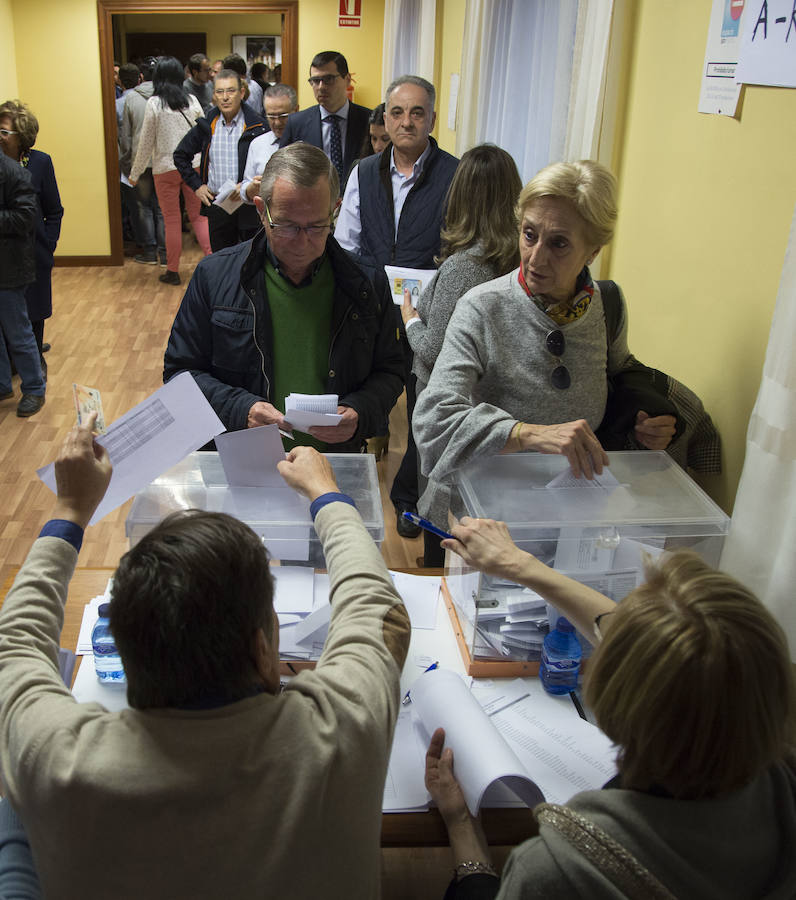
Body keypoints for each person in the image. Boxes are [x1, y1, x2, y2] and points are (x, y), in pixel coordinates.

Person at [0, 417, 411, 899]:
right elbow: (377, 608)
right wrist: (326, 495)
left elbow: (16, 641)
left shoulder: (54, 758)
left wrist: (71, 508)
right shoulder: (344, 728)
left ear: (129, 657)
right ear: (262, 651)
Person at [425, 516, 796, 898]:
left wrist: (461, 827)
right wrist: (522, 565)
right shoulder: (782, 780)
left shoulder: (559, 871)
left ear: (615, 696)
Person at [413, 160, 679, 526]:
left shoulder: (607, 306)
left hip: (570, 516)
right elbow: (433, 421)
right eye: (529, 234)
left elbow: (620, 370)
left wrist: (646, 422)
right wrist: (529, 434)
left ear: (593, 251)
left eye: (559, 244)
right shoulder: (482, 308)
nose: (536, 258)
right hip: (480, 519)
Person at [163, 142, 404, 452]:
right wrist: (241, 410)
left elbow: (390, 370)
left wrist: (361, 410)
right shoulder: (214, 276)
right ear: (262, 210)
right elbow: (180, 373)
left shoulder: (367, 283)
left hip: (331, 464)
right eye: (288, 226)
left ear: (335, 210)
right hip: (242, 459)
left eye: (317, 226)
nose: (303, 242)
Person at [336, 74, 459, 540]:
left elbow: (460, 246)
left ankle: (408, 500)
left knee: (422, 406)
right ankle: (347, 482)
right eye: (397, 112)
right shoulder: (363, 172)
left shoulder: (454, 173)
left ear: (431, 118)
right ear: (384, 118)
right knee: (359, 394)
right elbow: (346, 243)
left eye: (417, 113)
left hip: (428, 313)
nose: (406, 122)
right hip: (371, 307)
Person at [399, 144, 521, 564]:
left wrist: (411, 318)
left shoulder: (465, 266)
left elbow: (435, 351)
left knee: (440, 495)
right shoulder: (518, 259)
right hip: (493, 404)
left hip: (448, 405)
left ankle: (434, 567)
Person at [130, 56, 211, 286]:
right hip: (192, 166)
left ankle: (173, 271)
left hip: (164, 168)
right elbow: (206, 134)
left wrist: (135, 175)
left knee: (172, 220)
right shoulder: (192, 101)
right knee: (199, 218)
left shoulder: (155, 104)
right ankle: (215, 266)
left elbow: (145, 142)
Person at [0, 100, 64, 370]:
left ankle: (36, 360)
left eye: (4, 132)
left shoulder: (39, 162)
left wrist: (48, 245)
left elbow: (54, 210)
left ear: (22, 136)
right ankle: (15, 364)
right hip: (5, 254)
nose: (0, 136)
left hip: (34, 252)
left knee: (35, 312)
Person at [173, 68, 267, 251]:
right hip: (219, 205)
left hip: (248, 204)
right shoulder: (207, 125)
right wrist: (197, 186)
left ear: (241, 93)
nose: (225, 97)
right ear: (214, 95)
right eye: (220, 92)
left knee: (252, 257)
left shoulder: (258, 126)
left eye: (231, 91)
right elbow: (180, 155)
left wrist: (251, 185)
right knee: (222, 260)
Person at [278, 50, 370, 186]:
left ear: (347, 80)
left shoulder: (368, 120)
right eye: (315, 81)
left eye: (328, 79)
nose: (321, 87)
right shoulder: (296, 123)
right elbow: (283, 170)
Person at [0, 145, 46, 417]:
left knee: (18, 333)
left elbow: (25, 217)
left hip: (9, 269)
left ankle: (34, 389)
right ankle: (2, 384)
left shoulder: (15, 174)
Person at [119, 56, 166, 267]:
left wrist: (127, 164)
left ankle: (149, 252)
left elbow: (126, 138)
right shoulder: (166, 97)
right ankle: (166, 255)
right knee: (163, 209)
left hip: (141, 161)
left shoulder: (131, 99)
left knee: (143, 207)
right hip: (163, 162)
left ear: (140, 77)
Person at [240, 83, 299, 204]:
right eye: (271, 116)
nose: (277, 123)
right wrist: (251, 189)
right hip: (266, 218)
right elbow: (246, 187)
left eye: (283, 116)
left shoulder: (307, 141)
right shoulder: (257, 144)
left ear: (296, 110)